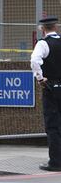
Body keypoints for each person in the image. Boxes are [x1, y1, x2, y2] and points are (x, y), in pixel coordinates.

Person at [31, 16, 61, 171]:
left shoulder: (43, 44)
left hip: (52, 88)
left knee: (53, 125)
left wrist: (40, 79)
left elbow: (35, 60)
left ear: (42, 29)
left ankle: (55, 162)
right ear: (55, 27)